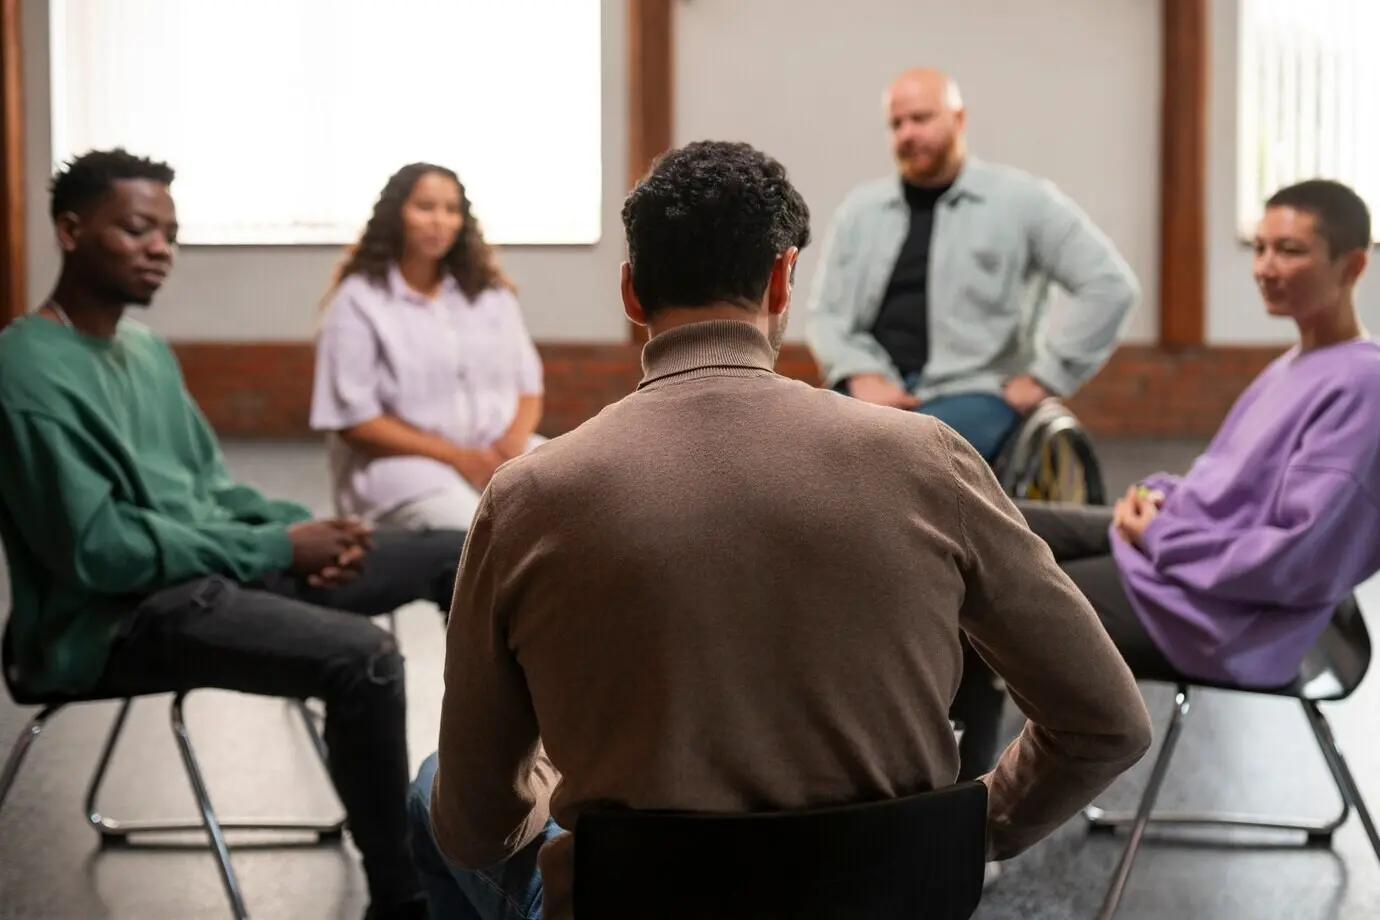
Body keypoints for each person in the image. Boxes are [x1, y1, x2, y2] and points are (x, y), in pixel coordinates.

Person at [405, 140, 1153, 920]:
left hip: (635, 899)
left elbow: (474, 829)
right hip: (889, 895)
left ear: (631, 293)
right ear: (782, 277)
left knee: (431, 788)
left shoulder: (528, 495)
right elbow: (1105, 722)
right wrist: (973, 825)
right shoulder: (930, 458)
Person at [0, 149, 466, 920]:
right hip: (113, 621)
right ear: (72, 230)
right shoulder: (22, 368)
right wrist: (279, 550)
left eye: (171, 234)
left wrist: (306, 529)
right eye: (139, 229)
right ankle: (405, 897)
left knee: (459, 552)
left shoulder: (143, 351)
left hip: (206, 576)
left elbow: (211, 490)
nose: (161, 249)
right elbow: (100, 552)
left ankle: (490, 809)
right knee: (367, 659)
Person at [957, 178, 1380, 778]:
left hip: (1222, 618)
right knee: (979, 523)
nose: (1265, 266)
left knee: (979, 594)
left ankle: (964, 822)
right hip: (1180, 560)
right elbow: (1224, 485)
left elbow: (1295, 559)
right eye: (1259, 247)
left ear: (1353, 264)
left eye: (1289, 250)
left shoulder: (1364, 386)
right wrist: (1156, 500)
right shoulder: (1297, 363)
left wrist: (1160, 536)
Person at [805, 67, 1140, 462]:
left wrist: (1046, 378)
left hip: (974, 392)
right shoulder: (859, 212)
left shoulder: (1024, 202)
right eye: (896, 124)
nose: (907, 134)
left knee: (912, 464)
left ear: (959, 119)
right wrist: (859, 375)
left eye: (921, 118)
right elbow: (825, 314)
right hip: (874, 385)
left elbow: (1110, 286)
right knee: (803, 456)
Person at [310, 162, 545, 532]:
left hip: (499, 451)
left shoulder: (490, 294)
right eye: (425, 207)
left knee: (576, 502)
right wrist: (460, 458)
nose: (440, 221)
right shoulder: (359, 300)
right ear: (396, 214)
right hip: (407, 465)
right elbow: (356, 422)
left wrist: (506, 452)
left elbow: (529, 388)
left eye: (451, 210)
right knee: (479, 533)